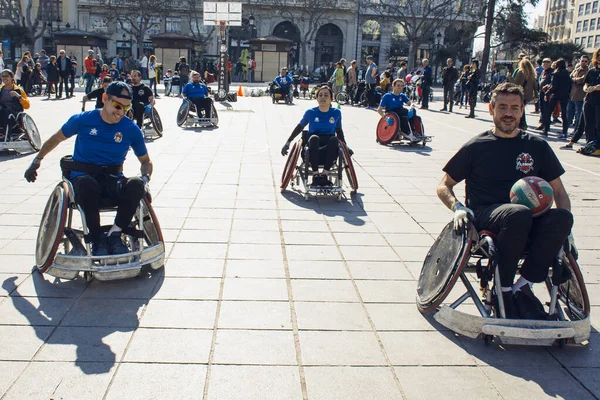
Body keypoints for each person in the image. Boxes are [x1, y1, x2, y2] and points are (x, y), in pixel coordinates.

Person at [437, 82, 574, 320]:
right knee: (519, 213)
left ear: (522, 111)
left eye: (514, 107)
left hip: (528, 216)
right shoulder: (476, 147)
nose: (508, 113)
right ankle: (504, 287)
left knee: (562, 217)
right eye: (502, 107)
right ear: (491, 109)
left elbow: (559, 193)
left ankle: (524, 284)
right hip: (487, 213)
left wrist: (567, 232)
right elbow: (444, 185)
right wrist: (457, 207)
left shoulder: (537, 146)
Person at [24, 81, 152, 256]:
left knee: (136, 184)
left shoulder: (131, 128)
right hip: (83, 178)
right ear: (105, 98)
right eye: (117, 105)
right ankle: (97, 237)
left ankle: (115, 233)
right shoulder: (84, 119)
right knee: (87, 184)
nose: (121, 112)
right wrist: (37, 161)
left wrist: (146, 179)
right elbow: (56, 139)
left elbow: (146, 161)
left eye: (126, 107)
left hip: (113, 180)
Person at [280, 85, 351, 186]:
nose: (323, 97)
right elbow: (299, 127)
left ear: (331, 98)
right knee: (314, 138)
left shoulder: (336, 113)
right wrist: (288, 142)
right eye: (320, 95)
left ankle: (324, 174)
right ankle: (316, 174)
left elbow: (339, 131)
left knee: (334, 139)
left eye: (326, 95)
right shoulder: (310, 112)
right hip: (312, 144)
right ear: (317, 98)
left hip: (329, 145)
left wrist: (345, 146)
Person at [542, 59, 571, 138]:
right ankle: (565, 131)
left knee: (549, 112)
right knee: (564, 114)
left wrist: (547, 93)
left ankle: (546, 129)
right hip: (565, 95)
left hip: (556, 94)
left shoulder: (555, 74)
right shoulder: (567, 74)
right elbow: (570, 85)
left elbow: (554, 86)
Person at [0, 69, 30, 137]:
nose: (4, 78)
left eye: (6, 76)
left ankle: (7, 133)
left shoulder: (18, 90)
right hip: (2, 110)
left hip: (14, 112)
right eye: (2, 76)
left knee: (6, 113)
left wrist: (18, 96)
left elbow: (27, 106)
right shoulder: (0, 89)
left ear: (11, 77)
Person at [566, 55, 589, 140]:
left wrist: (574, 80)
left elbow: (582, 80)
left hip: (580, 96)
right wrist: (575, 79)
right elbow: (570, 77)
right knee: (568, 114)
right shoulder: (576, 69)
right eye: (582, 60)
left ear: (588, 62)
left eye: (585, 61)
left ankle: (576, 132)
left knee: (578, 115)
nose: (583, 62)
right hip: (572, 95)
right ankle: (565, 130)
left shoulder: (588, 71)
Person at [512, 58, 538, 130]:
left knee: (520, 109)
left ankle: (522, 124)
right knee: (521, 108)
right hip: (528, 95)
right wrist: (536, 96)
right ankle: (522, 124)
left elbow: (515, 83)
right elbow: (535, 86)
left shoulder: (521, 72)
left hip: (520, 93)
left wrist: (509, 76)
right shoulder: (532, 74)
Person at [581, 48, 600, 144]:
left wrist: (596, 87)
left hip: (598, 102)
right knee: (588, 124)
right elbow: (586, 84)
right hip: (589, 100)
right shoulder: (592, 71)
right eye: (598, 55)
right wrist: (586, 88)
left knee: (598, 125)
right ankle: (589, 144)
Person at [536, 58, 553, 130]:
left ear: (550, 63)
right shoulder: (543, 71)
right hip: (541, 92)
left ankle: (547, 125)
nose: (545, 64)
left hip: (547, 93)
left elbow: (552, 83)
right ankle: (542, 123)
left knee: (547, 110)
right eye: (544, 62)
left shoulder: (552, 72)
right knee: (542, 109)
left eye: (547, 62)